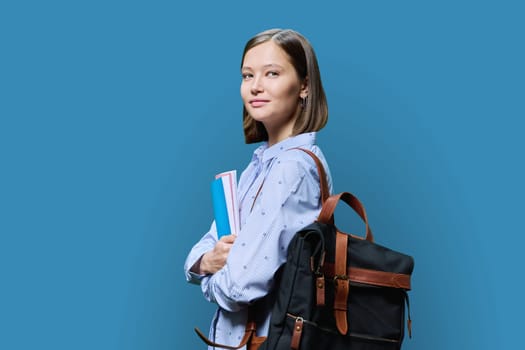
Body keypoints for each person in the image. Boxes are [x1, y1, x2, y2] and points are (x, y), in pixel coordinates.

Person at [184, 28, 333, 349]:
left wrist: (207, 278)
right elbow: (201, 252)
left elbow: (240, 286)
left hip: (264, 342)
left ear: (304, 85)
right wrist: (206, 261)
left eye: (272, 73)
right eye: (247, 75)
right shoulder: (259, 165)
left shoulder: (292, 167)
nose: (256, 86)